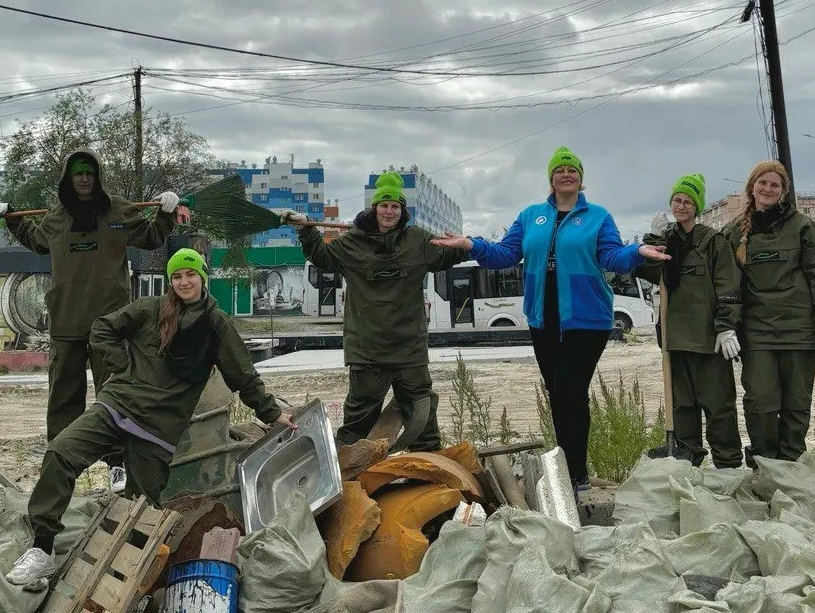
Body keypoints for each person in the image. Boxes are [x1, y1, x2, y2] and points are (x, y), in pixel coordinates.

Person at [5, 248, 296, 588]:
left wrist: (272, 413)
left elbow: (243, 376)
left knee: (138, 512)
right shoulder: (151, 309)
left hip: (157, 429)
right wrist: (120, 366)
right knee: (60, 452)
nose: (184, 281)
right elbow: (102, 329)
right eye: (177, 276)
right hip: (117, 407)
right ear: (170, 281)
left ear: (203, 277)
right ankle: (42, 551)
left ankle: (120, 588)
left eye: (190, 275)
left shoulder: (216, 325)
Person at [432, 146, 670, 490]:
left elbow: (613, 256)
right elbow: (506, 254)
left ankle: (577, 475)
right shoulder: (531, 216)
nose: (566, 174)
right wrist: (472, 244)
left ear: (581, 179)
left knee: (571, 391)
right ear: (551, 178)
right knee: (558, 394)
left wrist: (636, 252)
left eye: (572, 170)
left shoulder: (598, 217)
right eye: (560, 170)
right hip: (543, 319)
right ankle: (566, 470)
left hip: (587, 319)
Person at [0, 149, 180, 493]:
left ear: (98, 175)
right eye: (78, 172)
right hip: (66, 324)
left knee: (115, 394)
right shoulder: (57, 216)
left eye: (90, 171)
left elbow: (150, 237)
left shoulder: (118, 210)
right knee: (63, 398)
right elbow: (37, 241)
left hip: (111, 325)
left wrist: (166, 213)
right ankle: (61, 465)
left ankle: (118, 463)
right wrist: (13, 218)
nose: (84, 178)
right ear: (68, 177)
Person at [282, 171, 469, 452]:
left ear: (402, 210)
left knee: (422, 416)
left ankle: (430, 472)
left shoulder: (418, 240)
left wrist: (468, 245)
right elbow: (321, 256)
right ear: (375, 208)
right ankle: (349, 476)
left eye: (395, 206)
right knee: (358, 423)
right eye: (384, 205)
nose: (389, 211)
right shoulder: (352, 242)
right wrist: (305, 230)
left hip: (409, 349)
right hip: (367, 350)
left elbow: (448, 255)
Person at [721, 160, 815, 466]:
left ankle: (791, 464)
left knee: (797, 403)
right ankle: (765, 463)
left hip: (798, 331)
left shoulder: (802, 227)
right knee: (760, 400)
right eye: (763, 183)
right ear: (752, 187)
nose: (768, 189)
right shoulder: (733, 232)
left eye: (775, 184)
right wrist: (726, 324)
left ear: (784, 191)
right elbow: (723, 280)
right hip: (757, 333)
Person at [635, 174, 744, 468]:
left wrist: (726, 326)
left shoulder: (712, 241)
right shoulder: (667, 241)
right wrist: (654, 240)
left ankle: (728, 467)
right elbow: (647, 272)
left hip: (708, 340)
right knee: (682, 409)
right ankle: (688, 464)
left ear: (697, 207)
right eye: (677, 200)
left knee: (719, 407)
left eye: (688, 202)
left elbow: (728, 286)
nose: (681, 206)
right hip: (675, 340)